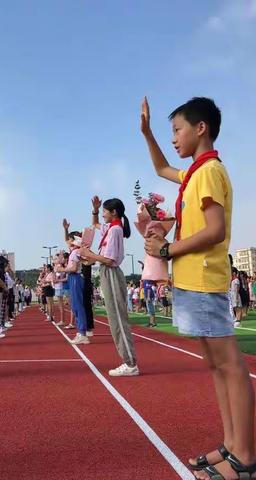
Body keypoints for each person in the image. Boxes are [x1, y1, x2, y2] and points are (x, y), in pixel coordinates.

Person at [142, 96, 256, 478]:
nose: (173, 137)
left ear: (201, 128)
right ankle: (231, 445)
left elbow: (215, 230)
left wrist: (167, 248)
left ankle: (245, 458)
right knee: (217, 366)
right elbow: (160, 168)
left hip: (204, 279)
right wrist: (146, 133)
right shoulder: (194, 174)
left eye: (177, 130)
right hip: (193, 280)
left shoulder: (207, 172)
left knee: (230, 366)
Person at [80, 196, 139, 377]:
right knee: (114, 318)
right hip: (107, 272)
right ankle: (128, 360)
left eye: (105, 211)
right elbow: (96, 224)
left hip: (111, 272)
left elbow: (110, 259)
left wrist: (90, 254)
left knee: (118, 318)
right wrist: (96, 210)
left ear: (113, 212)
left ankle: (130, 363)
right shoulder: (111, 227)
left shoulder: (115, 230)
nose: (103, 214)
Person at [57, 232, 89, 345]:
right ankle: (81, 332)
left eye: (70, 240)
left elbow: (74, 268)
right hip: (73, 278)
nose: (68, 242)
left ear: (73, 240)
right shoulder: (75, 251)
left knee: (78, 306)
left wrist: (62, 270)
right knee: (75, 306)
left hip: (75, 278)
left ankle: (82, 333)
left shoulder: (76, 251)